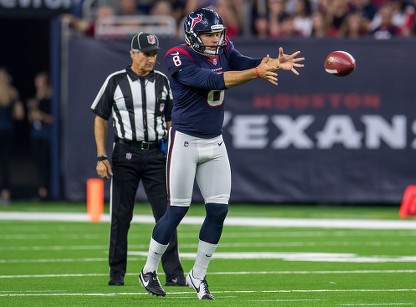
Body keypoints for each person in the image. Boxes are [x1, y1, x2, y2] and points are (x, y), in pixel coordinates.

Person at [138, 7, 304, 300]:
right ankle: (149, 269)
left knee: (219, 210)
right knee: (177, 210)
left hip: (214, 142)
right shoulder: (178, 55)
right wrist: (256, 72)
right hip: (185, 141)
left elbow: (244, 62)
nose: (215, 40)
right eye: (208, 34)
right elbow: (212, 81)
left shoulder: (224, 47)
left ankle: (197, 276)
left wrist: (274, 63)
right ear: (192, 34)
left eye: (217, 34)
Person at [90, 32, 185, 287]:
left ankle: (174, 272)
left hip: (156, 153)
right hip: (125, 153)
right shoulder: (116, 81)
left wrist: (175, 151)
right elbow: (101, 117)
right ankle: (116, 273)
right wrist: (101, 156)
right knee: (121, 216)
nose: (151, 59)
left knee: (167, 214)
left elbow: (171, 121)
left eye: (154, 54)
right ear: (132, 53)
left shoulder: (164, 82)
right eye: (146, 54)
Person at [27, 71, 53, 201]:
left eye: (40, 81)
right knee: (37, 165)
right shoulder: (37, 98)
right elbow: (31, 116)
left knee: (46, 163)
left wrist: (42, 116)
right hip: (36, 135)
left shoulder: (51, 97)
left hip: (47, 136)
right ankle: (39, 190)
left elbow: (53, 118)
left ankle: (47, 191)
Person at [0, 68, 24, 205]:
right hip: (8, 130)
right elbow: (19, 114)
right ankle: (6, 193)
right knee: (5, 162)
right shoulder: (12, 93)